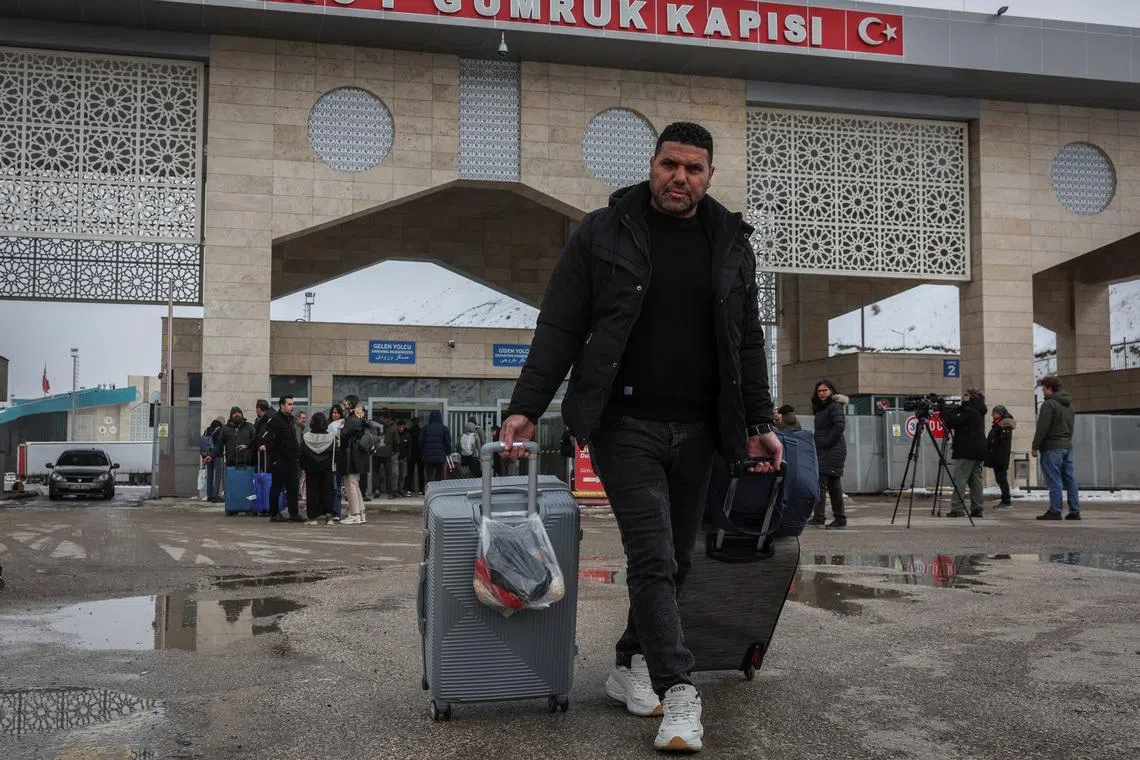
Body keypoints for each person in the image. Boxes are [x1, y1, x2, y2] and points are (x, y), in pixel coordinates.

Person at [498, 122, 781, 753]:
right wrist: (526, 407)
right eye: (670, 165)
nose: (680, 178)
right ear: (651, 165)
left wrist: (759, 423)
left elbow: (748, 342)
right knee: (653, 557)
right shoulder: (603, 233)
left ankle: (630, 663)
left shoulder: (731, 241)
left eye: (695, 169)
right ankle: (680, 692)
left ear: (709, 177)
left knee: (678, 560)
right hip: (624, 426)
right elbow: (560, 327)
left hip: (704, 429)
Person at [1033, 376, 1080, 521]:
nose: (1042, 391)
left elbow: (1042, 427)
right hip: (1067, 445)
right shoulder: (1069, 405)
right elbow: (1071, 427)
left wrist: (1035, 446)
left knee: (1054, 479)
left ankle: (1055, 510)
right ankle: (1074, 511)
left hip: (1051, 447)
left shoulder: (1049, 404)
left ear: (1049, 388)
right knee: (1070, 479)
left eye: (1043, 388)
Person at [942, 388, 988, 518]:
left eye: (966, 395)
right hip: (979, 449)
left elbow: (951, 422)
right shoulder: (978, 410)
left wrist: (945, 411)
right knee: (975, 479)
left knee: (960, 478)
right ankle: (977, 508)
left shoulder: (969, 411)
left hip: (967, 449)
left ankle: (957, 508)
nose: (963, 397)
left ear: (972, 398)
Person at [808, 380, 848, 530]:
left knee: (821, 483)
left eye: (825, 390)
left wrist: (825, 442)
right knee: (833, 484)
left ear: (831, 391)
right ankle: (839, 519)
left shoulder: (835, 406)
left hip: (832, 449)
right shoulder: (821, 408)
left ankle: (819, 518)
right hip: (825, 449)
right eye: (819, 391)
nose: (822, 393)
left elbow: (839, 426)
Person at [265, 395, 303, 523]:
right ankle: (274, 513)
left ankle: (294, 513)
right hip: (280, 460)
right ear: (282, 405)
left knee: (293, 486)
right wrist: (275, 459)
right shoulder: (275, 421)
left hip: (292, 459)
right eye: (289, 404)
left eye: (292, 404)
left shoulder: (291, 420)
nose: (292, 407)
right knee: (277, 486)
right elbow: (269, 441)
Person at [301, 412, 336, 524]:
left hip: (311, 468)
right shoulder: (331, 437)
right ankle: (329, 516)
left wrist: (303, 465)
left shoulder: (306, 437)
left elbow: (301, 453)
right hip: (327, 467)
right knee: (328, 491)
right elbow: (336, 454)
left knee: (312, 492)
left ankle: (313, 517)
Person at [339, 396, 369, 525]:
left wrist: (339, 428)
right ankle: (361, 513)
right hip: (360, 455)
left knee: (350, 484)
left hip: (351, 455)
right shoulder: (361, 418)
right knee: (355, 484)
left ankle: (354, 514)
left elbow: (343, 434)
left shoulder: (351, 419)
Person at [986, 405, 1016, 509]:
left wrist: (993, 442)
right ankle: (1005, 499)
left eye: (994, 413)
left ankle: (1006, 500)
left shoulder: (1004, 425)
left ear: (999, 413)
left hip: (1000, 456)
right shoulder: (999, 424)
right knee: (1000, 479)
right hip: (997, 455)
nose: (992, 415)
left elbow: (1001, 440)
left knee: (1001, 479)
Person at [421, 410, 452, 485]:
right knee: (439, 475)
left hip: (428, 457)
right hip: (440, 457)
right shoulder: (444, 428)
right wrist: (448, 452)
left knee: (429, 476)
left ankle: (429, 491)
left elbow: (421, 442)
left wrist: (423, 453)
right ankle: (438, 491)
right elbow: (448, 442)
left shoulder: (425, 428)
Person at [328, 404, 345, 521]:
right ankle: (329, 510)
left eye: (337, 413)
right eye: (334, 412)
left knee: (337, 487)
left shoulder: (344, 426)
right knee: (331, 487)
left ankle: (336, 511)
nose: (335, 415)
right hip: (329, 460)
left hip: (339, 460)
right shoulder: (328, 426)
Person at [200, 419, 224, 502]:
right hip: (217, 455)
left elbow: (203, 443)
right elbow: (220, 443)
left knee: (209, 474)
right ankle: (215, 495)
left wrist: (204, 457)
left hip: (207, 455)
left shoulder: (207, 430)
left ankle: (209, 495)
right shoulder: (219, 430)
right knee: (217, 475)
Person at [387, 419, 409, 498]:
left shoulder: (407, 435)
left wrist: (407, 456)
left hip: (403, 458)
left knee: (403, 475)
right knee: (395, 474)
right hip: (395, 456)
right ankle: (394, 490)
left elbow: (409, 447)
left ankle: (401, 490)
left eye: (402, 427)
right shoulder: (394, 434)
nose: (401, 429)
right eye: (400, 427)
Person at [405, 416, 424, 495]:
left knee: (409, 473)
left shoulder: (408, 431)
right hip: (420, 454)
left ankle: (409, 489)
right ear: (418, 422)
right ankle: (421, 490)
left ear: (412, 422)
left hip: (411, 454)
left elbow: (406, 443)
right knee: (421, 473)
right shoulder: (421, 431)